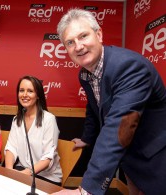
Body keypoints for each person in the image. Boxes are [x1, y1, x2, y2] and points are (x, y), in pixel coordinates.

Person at [53, 8, 166, 195]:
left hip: (155, 156)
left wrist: (86, 190)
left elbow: (119, 125)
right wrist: (87, 138)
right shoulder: (85, 74)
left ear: (99, 34)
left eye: (83, 36)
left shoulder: (129, 67)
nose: (78, 46)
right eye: (70, 42)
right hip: (128, 156)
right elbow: (94, 106)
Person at [4, 75, 62, 186]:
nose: (24, 95)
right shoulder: (17, 119)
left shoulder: (49, 119)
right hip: (21, 170)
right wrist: (9, 171)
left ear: (38, 95)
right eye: (21, 90)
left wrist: (25, 174)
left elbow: (47, 158)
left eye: (30, 91)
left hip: (46, 177)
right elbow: (11, 148)